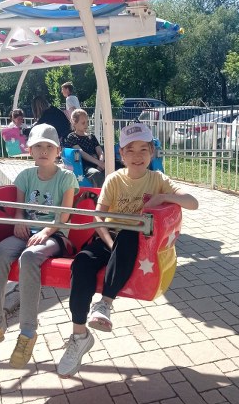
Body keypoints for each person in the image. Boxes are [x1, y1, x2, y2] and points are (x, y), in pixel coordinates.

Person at [57, 122, 199, 377]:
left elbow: (192, 202)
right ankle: (79, 335)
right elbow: (99, 217)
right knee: (82, 262)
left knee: (130, 233)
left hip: (135, 242)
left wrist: (163, 197)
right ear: (121, 154)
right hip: (109, 238)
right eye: (130, 150)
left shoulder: (157, 180)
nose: (137, 156)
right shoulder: (114, 180)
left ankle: (105, 303)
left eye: (143, 149)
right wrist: (110, 244)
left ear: (152, 152)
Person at [0, 123, 79, 369]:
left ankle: (27, 332)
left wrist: (46, 232)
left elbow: (64, 215)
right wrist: (19, 222)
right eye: (38, 146)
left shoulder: (66, 178)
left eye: (49, 146)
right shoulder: (26, 177)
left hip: (54, 235)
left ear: (57, 150)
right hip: (26, 232)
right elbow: (19, 208)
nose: (43, 151)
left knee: (29, 257)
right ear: (30, 151)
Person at [65, 109, 105, 187]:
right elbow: (81, 152)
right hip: (85, 166)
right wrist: (98, 163)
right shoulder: (72, 137)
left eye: (87, 122)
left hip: (98, 164)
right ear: (74, 122)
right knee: (96, 173)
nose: (86, 125)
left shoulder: (91, 137)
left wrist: (100, 162)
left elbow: (100, 151)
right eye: (83, 123)